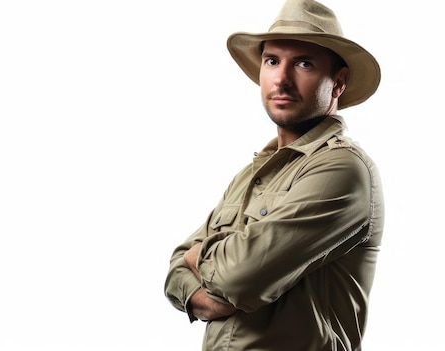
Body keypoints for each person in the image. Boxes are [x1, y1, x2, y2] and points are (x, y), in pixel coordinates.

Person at [163, 0, 384, 350]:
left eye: (304, 63)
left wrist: (202, 260)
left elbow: (237, 278)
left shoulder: (342, 170)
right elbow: (176, 266)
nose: (281, 78)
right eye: (272, 61)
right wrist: (201, 293)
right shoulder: (251, 175)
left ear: (338, 83)